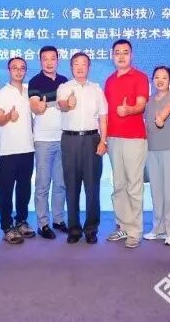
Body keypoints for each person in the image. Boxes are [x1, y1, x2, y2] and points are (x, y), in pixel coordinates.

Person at [57, 52, 108, 244]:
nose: (80, 67)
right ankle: (74, 229)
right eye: (76, 64)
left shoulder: (96, 89)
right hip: (69, 140)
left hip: (92, 140)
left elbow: (103, 117)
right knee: (71, 186)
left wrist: (103, 141)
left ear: (89, 67)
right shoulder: (64, 87)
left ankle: (91, 229)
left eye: (84, 64)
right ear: (71, 67)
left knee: (92, 187)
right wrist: (68, 104)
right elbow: (62, 105)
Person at [104, 39, 149, 249]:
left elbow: (141, 105)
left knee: (134, 185)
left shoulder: (140, 77)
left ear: (132, 55)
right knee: (118, 185)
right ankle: (122, 225)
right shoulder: (109, 80)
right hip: (113, 138)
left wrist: (128, 110)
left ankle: (135, 231)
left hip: (134, 138)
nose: (121, 56)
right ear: (112, 56)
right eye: (117, 52)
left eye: (125, 52)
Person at [0, 57, 36, 244]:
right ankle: (7, 226)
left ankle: (21, 221)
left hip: (27, 149)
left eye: (22, 68)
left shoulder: (29, 93)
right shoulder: (2, 93)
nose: (18, 71)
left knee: (24, 189)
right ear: (8, 70)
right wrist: (9, 116)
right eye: (15, 68)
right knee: (6, 191)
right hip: (8, 151)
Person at [27, 46, 68, 239]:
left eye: (53, 58)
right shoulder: (35, 81)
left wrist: (58, 104)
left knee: (60, 183)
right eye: (45, 59)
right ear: (40, 61)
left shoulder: (64, 81)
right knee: (43, 184)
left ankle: (58, 220)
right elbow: (36, 106)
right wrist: (45, 105)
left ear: (58, 60)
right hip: (43, 140)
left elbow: (69, 105)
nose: (49, 62)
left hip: (63, 138)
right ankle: (43, 224)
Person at [144, 66, 170, 245]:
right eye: (157, 77)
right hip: (152, 150)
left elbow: (168, 108)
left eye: (164, 78)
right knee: (156, 191)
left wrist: (161, 118)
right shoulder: (149, 100)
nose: (160, 81)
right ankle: (158, 229)